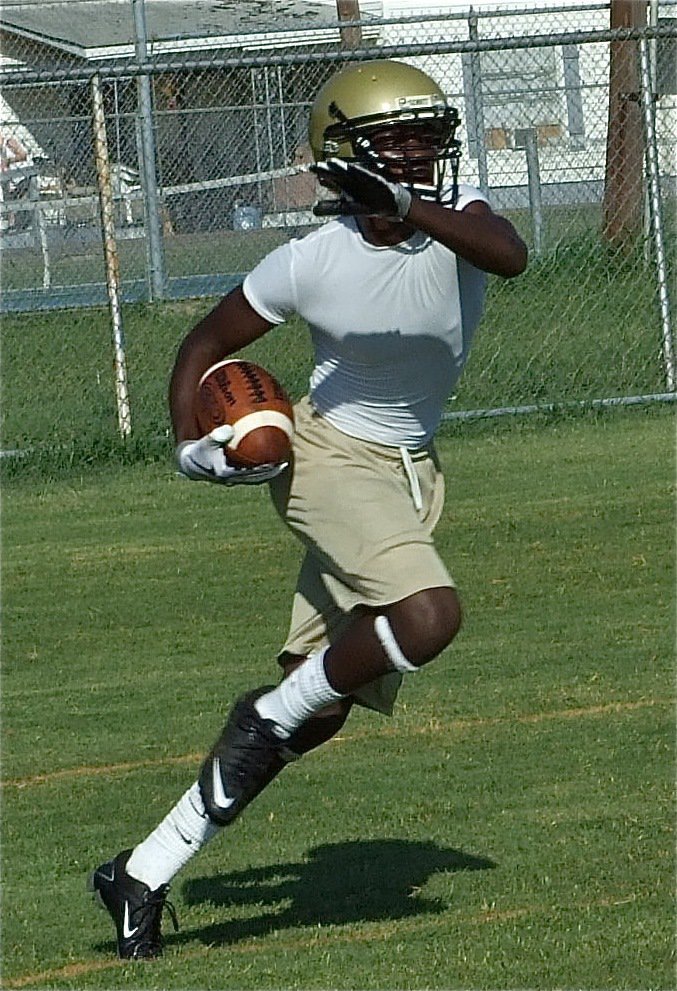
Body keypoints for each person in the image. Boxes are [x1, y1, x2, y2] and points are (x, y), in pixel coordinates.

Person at [89, 59, 527, 960]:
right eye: (395, 141)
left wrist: (406, 205)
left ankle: (142, 867)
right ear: (343, 153)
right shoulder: (309, 258)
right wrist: (189, 445)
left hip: (412, 473)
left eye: (426, 139)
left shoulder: (459, 222)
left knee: (314, 709)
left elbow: (508, 256)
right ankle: (261, 716)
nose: (416, 156)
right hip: (326, 456)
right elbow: (206, 342)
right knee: (428, 615)